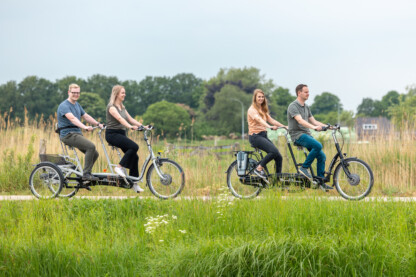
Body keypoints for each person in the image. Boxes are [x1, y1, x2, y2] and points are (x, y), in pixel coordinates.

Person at [287, 84, 333, 190]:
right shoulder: (293, 106)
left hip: (306, 135)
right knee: (318, 145)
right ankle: (304, 168)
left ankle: (320, 182)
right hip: (297, 135)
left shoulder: (306, 107)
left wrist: (328, 126)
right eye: (306, 92)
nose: (308, 94)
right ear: (299, 93)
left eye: (308, 92)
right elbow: (300, 120)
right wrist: (313, 127)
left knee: (322, 156)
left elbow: (314, 121)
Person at [105, 85, 147, 193]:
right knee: (134, 146)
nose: (124, 95)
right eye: (122, 93)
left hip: (121, 134)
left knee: (135, 157)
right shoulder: (112, 107)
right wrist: (129, 127)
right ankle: (119, 167)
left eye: (124, 93)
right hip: (112, 134)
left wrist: (143, 126)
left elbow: (130, 119)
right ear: (116, 94)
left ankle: (134, 184)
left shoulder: (122, 107)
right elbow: (119, 119)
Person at [57, 84, 103, 181]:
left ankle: (87, 174)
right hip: (68, 135)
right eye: (74, 92)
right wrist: (85, 127)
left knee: (95, 154)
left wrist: (98, 124)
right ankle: (86, 175)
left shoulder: (77, 105)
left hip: (76, 134)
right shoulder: (64, 106)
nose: (76, 94)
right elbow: (72, 118)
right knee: (91, 146)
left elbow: (86, 116)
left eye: (78, 93)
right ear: (69, 92)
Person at [247, 89, 286, 180]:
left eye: (262, 97)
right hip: (255, 136)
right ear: (255, 98)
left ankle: (277, 180)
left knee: (278, 157)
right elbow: (259, 120)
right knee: (274, 151)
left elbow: (272, 120)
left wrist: (284, 126)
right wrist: (269, 127)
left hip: (263, 135)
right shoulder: (252, 110)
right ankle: (259, 168)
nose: (261, 98)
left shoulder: (262, 109)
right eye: (259, 97)